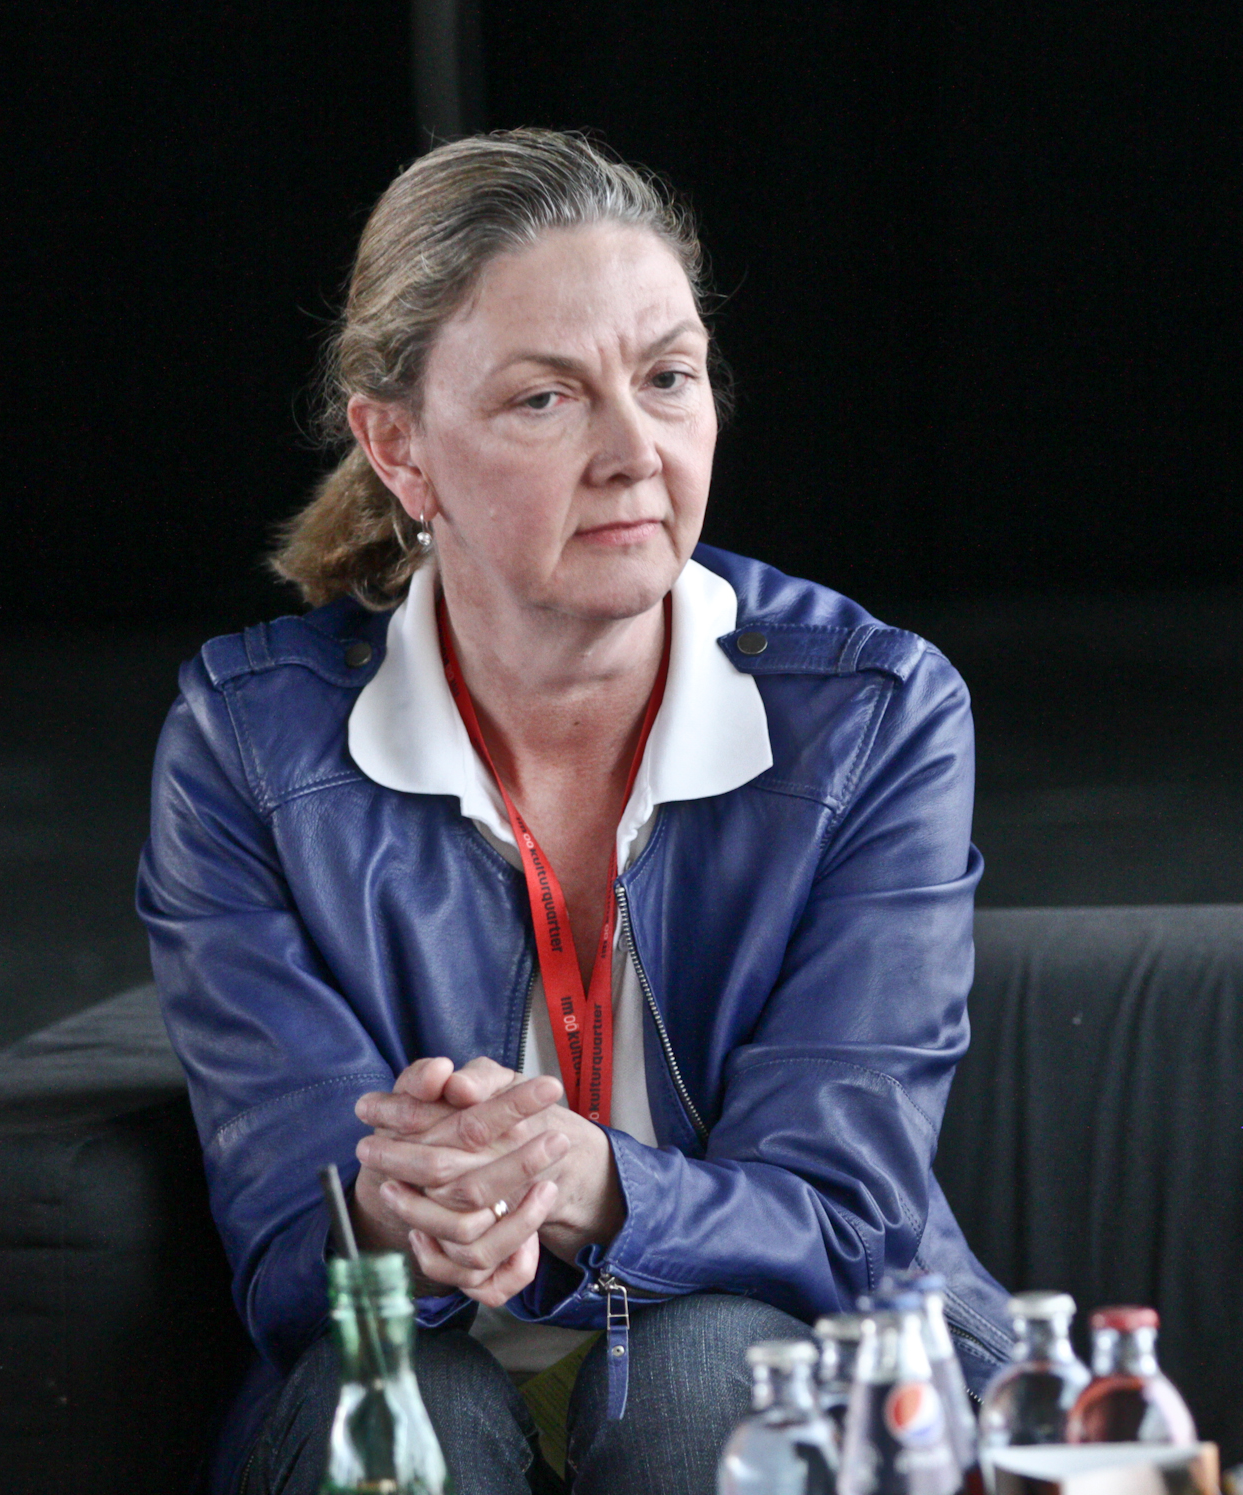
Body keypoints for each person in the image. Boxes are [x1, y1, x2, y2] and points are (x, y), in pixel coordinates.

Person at [138, 129, 1010, 1495]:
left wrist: (586, 1180)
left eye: (667, 379)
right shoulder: (248, 743)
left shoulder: (875, 711)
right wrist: (398, 1212)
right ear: (400, 448)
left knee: (708, 1365)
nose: (634, 453)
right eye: (545, 400)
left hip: (798, 1360)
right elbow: (284, 1254)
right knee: (399, 1398)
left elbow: (843, 1221)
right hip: (434, 1355)